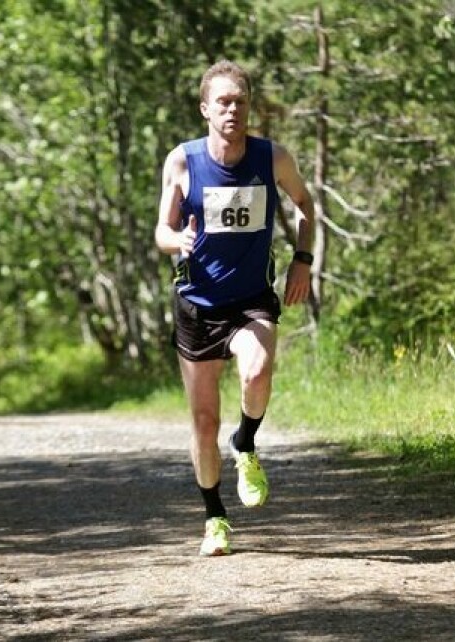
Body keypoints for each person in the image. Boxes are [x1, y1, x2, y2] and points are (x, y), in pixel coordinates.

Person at [155, 60, 316, 556]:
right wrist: (177, 239)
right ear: (205, 109)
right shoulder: (182, 162)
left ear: (249, 107)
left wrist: (302, 261)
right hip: (198, 305)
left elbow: (306, 206)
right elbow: (161, 230)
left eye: (240, 102)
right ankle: (215, 518)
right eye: (222, 102)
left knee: (258, 369)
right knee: (204, 423)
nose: (232, 110)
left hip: (251, 300)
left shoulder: (272, 158)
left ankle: (245, 442)